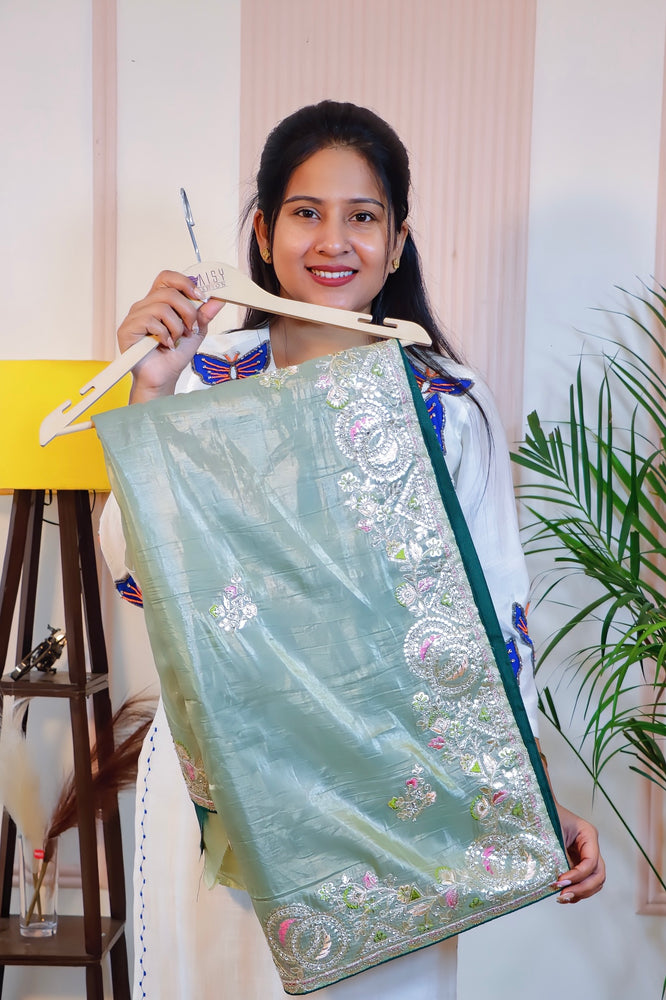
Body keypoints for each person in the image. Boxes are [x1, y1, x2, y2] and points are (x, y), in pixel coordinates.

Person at [100, 101, 605, 1000]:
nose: (334, 241)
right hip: (229, 772)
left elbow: (495, 613)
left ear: (398, 241)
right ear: (264, 232)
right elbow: (140, 576)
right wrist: (152, 390)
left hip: (400, 780)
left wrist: (526, 788)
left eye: (362, 216)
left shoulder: (448, 402)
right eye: (306, 212)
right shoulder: (200, 379)